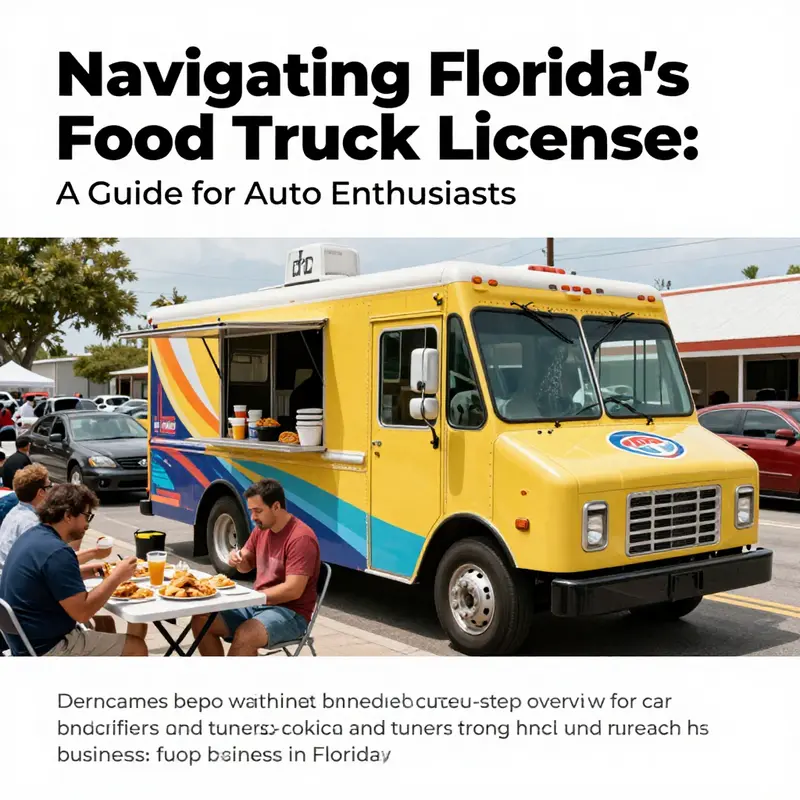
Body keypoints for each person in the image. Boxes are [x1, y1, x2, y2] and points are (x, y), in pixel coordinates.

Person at [0, 484, 148, 656]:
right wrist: (116, 577)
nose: (87, 525)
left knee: (106, 624)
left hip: (26, 642)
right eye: (87, 516)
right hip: (48, 648)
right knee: (137, 646)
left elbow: (45, 577)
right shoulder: (58, 552)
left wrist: (87, 571)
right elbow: (83, 613)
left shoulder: (33, 536)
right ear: (68, 515)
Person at [192, 479, 320, 657]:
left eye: (258, 511)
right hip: (257, 604)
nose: (253, 517)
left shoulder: (301, 538)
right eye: (251, 511)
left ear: (276, 507)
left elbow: (293, 590)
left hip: (292, 613)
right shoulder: (262, 529)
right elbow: (245, 567)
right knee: (201, 619)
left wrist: (255, 597)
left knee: (246, 635)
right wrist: (237, 559)